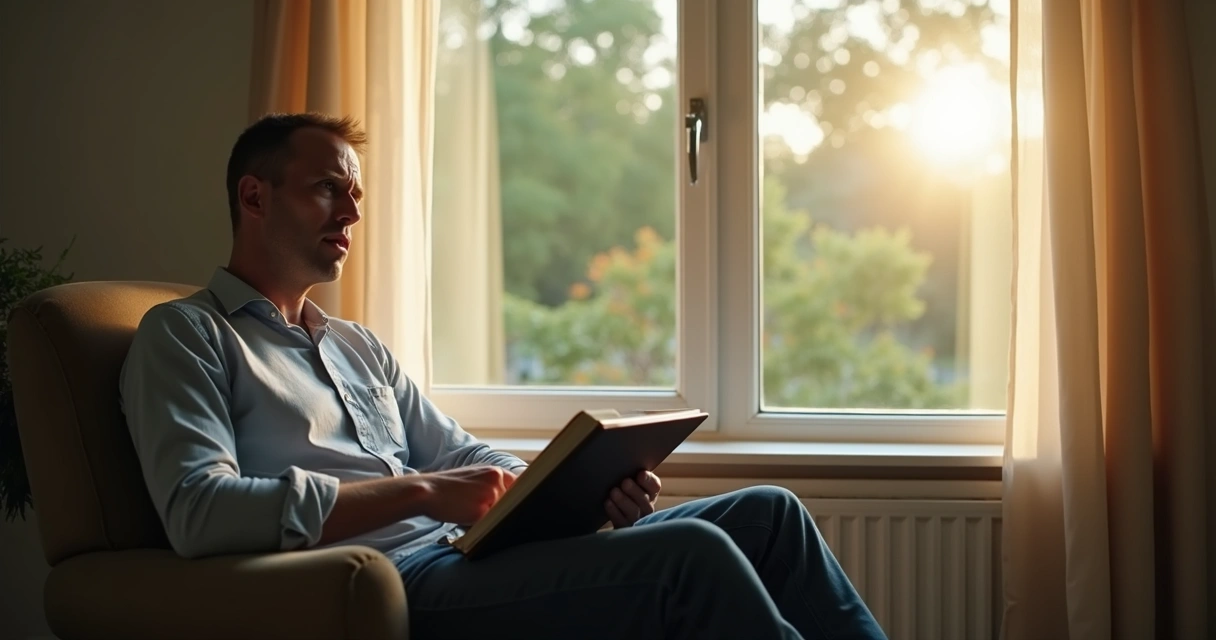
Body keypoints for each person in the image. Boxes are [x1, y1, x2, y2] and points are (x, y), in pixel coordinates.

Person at [120, 112, 886, 640]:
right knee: (693, 557)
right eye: (328, 188)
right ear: (254, 196)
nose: (351, 212)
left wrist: (572, 489)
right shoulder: (187, 335)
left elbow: (463, 455)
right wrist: (421, 493)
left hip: (466, 554)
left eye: (356, 194)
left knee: (769, 515)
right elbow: (200, 512)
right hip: (396, 583)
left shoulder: (355, 345)